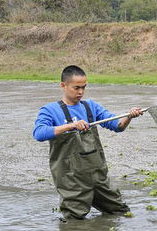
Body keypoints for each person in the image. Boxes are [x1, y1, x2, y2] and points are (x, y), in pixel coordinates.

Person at [33, 65, 143, 219]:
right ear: (63, 86)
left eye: (84, 87)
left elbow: (118, 126)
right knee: (73, 222)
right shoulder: (50, 110)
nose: (80, 92)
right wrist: (71, 125)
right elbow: (38, 133)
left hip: (98, 176)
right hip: (71, 179)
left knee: (121, 213)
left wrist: (129, 116)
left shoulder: (91, 106)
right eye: (76, 88)